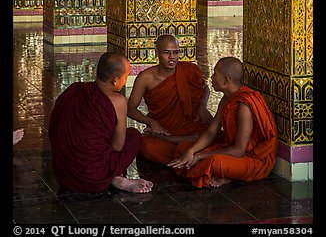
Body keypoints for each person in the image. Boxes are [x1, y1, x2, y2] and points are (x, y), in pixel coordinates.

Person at [49, 52, 153, 194]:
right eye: (126, 76)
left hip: (63, 175)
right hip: (93, 178)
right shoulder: (118, 101)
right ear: (116, 80)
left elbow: (54, 128)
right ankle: (115, 177)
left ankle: (113, 175)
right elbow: (117, 146)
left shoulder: (74, 89)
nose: (125, 81)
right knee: (133, 135)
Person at [168, 56, 278, 188]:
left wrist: (200, 156)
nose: (212, 78)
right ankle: (227, 174)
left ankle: (230, 176)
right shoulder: (227, 99)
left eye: (215, 74)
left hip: (253, 158)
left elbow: (239, 150)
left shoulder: (244, 105)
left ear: (226, 80)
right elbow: (211, 131)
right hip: (231, 149)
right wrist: (192, 151)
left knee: (214, 162)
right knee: (184, 148)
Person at [127, 34, 213, 165]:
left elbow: (205, 88)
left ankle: (185, 150)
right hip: (164, 129)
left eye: (176, 52)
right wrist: (152, 122)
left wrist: (202, 106)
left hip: (191, 124)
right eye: (167, 53)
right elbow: (130, 109)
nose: (172, 57)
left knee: (214, 134)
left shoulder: (189, 70)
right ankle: (191, 153)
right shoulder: (146, 78)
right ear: (157, 53)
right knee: (148, 147)